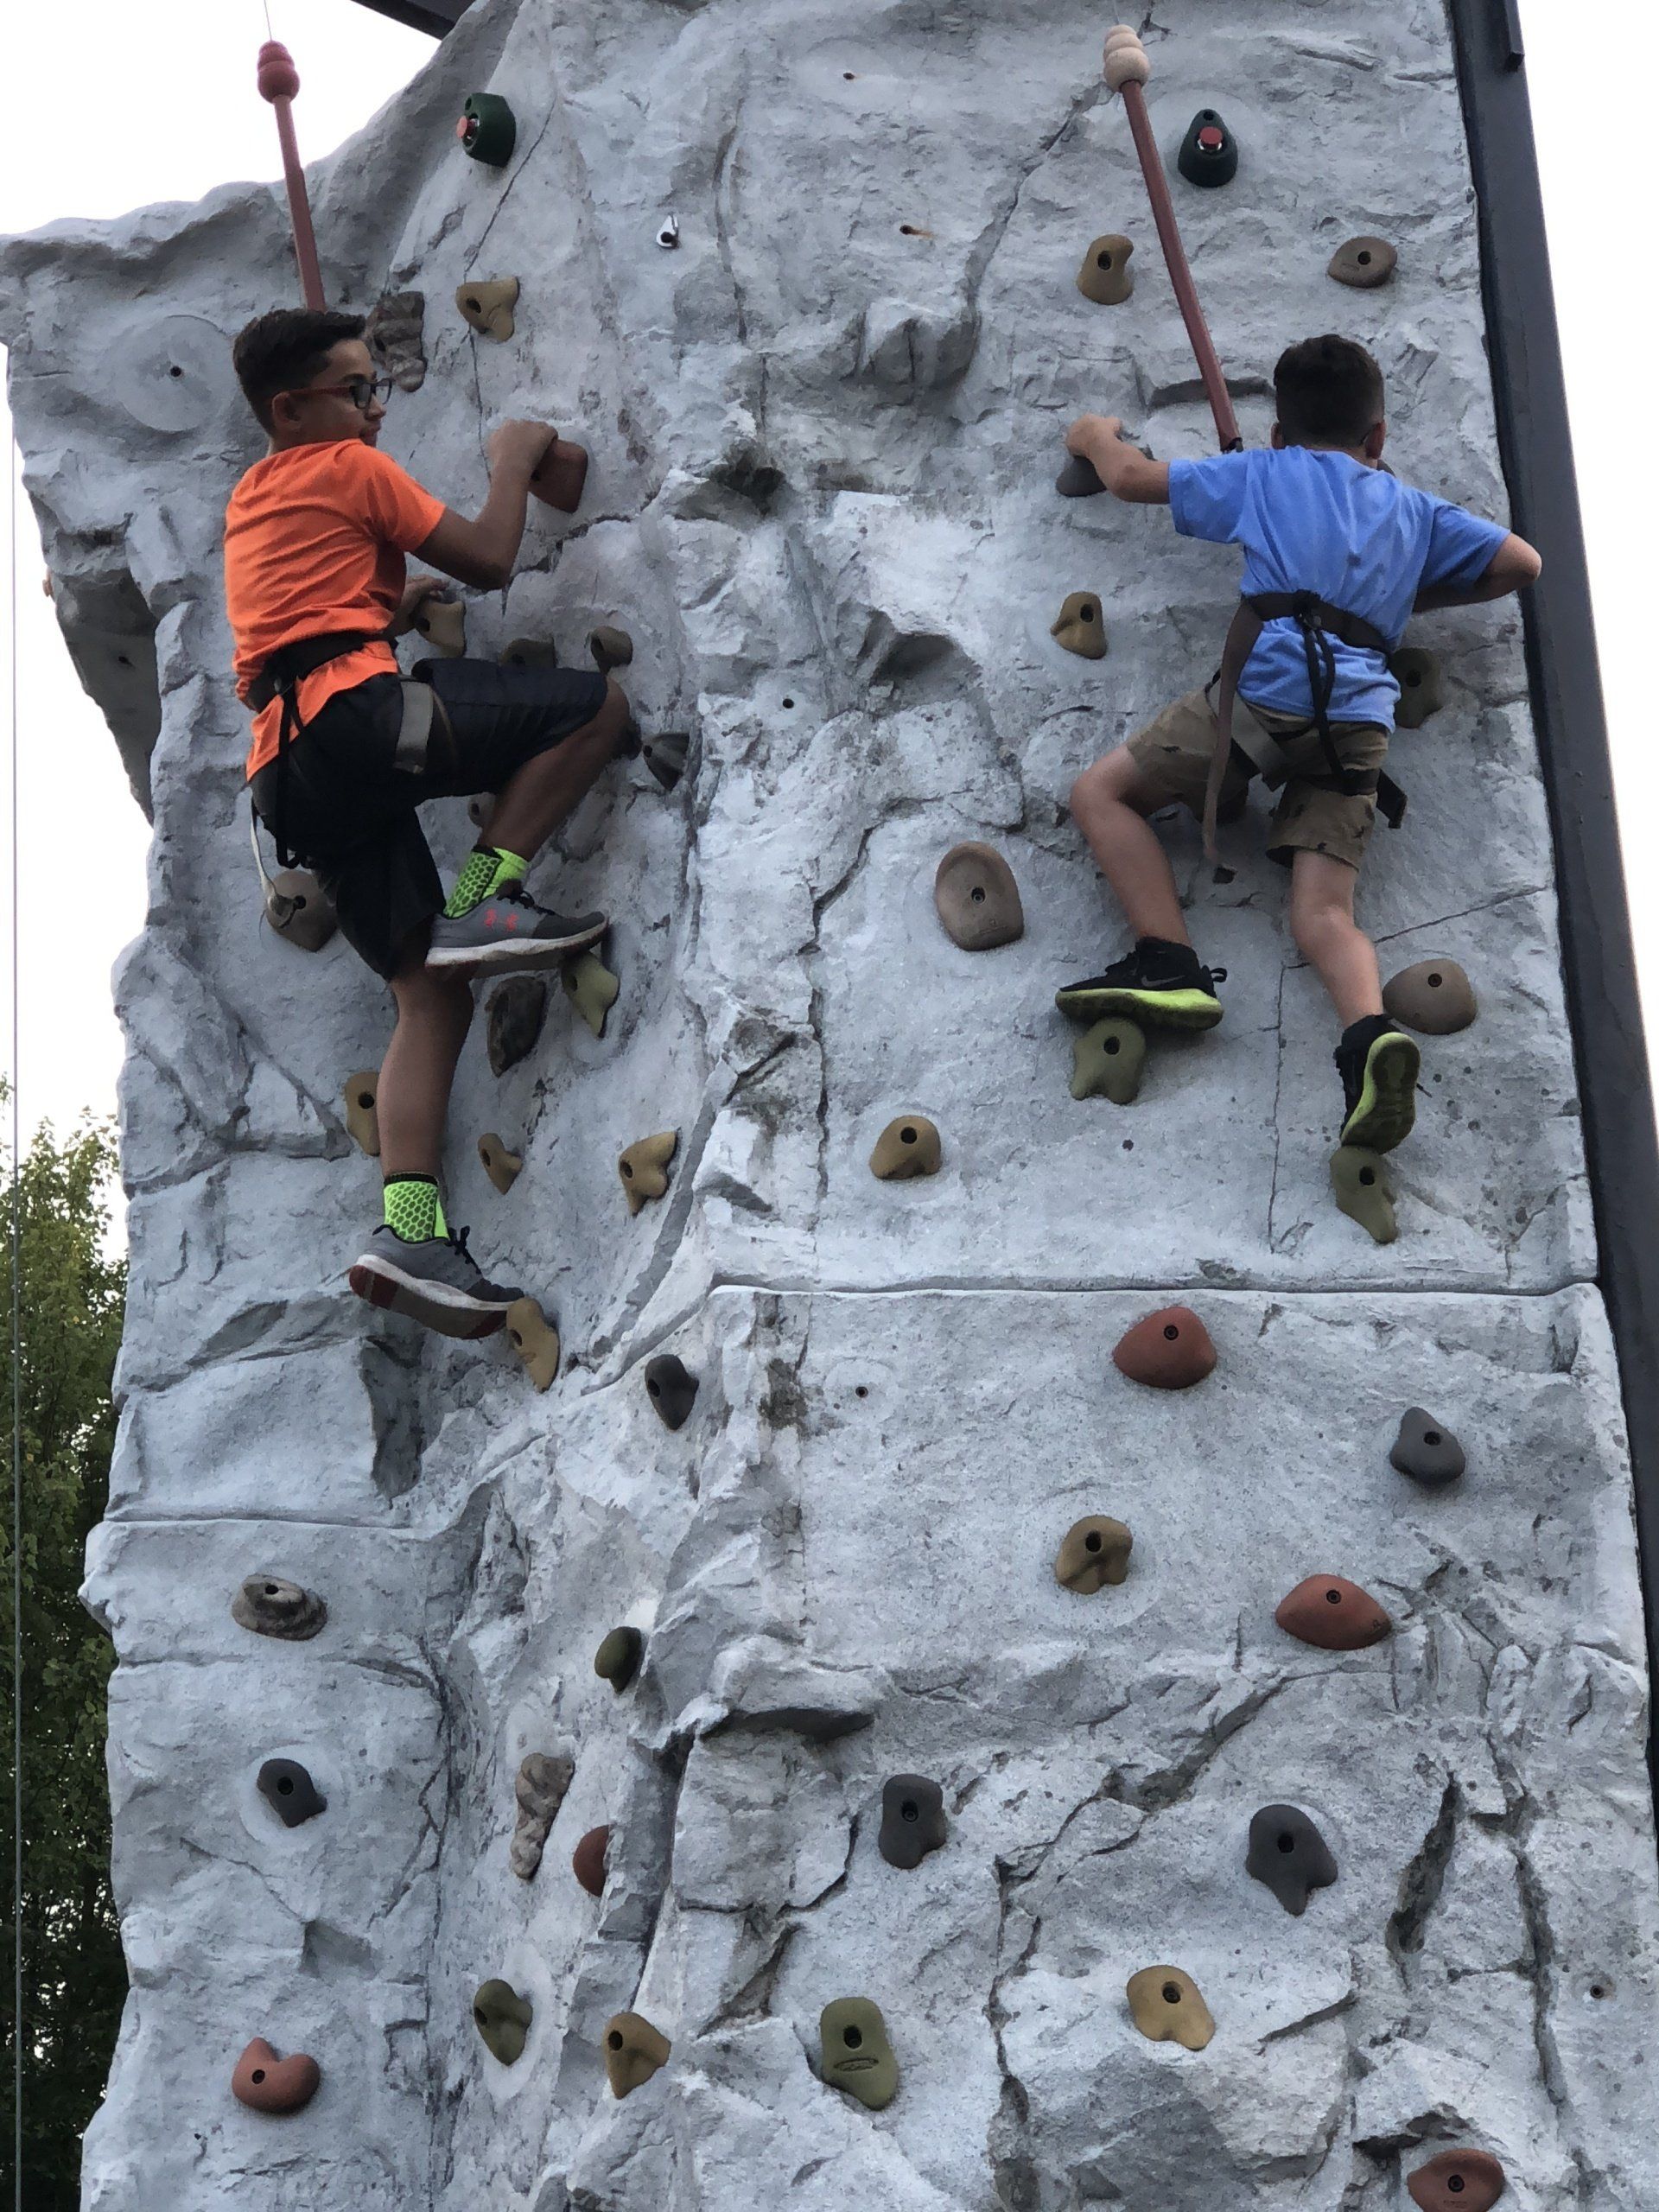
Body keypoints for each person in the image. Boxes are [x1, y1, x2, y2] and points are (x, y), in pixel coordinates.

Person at [225, 306, 635, 1338]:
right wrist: (515, 457)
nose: (373, 409)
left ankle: (409, 1223)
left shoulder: (253, 498)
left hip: (287, 773)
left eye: (375, 389)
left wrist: (388, 606)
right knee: (598, 712)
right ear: (293, 407)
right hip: (356, 724)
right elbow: (495, 557)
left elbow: (304, 618)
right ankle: (486, 896)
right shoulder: (349, 468)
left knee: (427, 996)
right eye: (356, 390)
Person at [1055, 334, 1541, 1154]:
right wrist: (1396, 602)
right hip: (1356, 727)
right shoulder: (1413, 508)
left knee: (1101, 794)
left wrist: (1093, 435)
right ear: (1377, 437)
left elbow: (1134, 479)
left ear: (1279, 432)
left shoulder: (1264, 474)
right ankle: (1367, 1037)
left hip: (1263, 700)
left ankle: (1167, 959)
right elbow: (1520, 563)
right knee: (1324, 912)